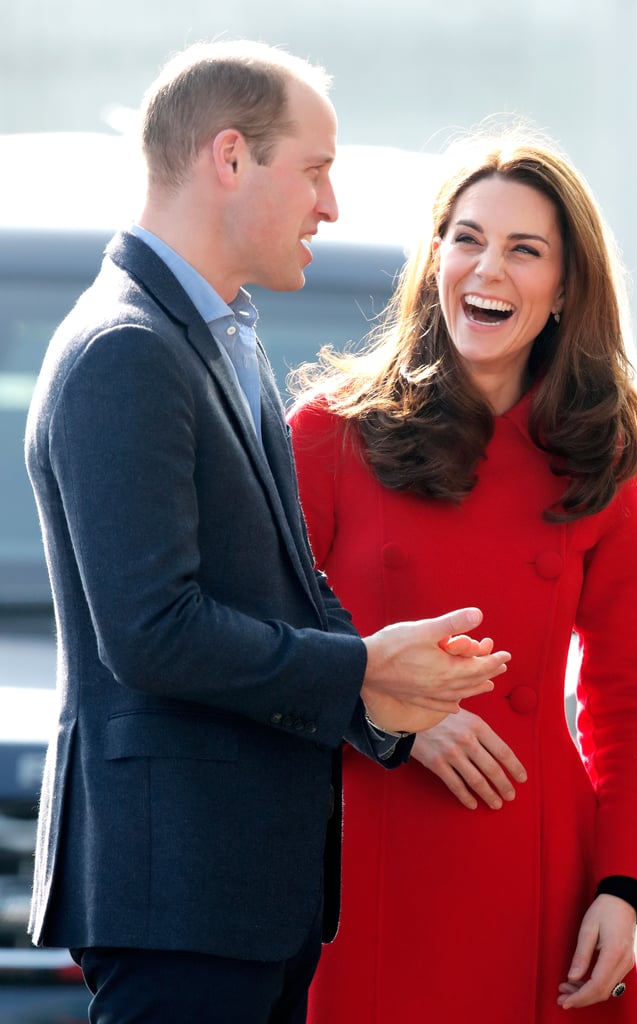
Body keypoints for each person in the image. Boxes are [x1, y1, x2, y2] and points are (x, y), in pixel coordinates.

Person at [23, 42, 513, 1024]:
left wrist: (390, 700)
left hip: (239, 900)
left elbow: (278, 582)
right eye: (318, 171)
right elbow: (154, 628)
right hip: (183, 901)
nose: (330, 207)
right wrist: (361, 671)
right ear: (231, 158)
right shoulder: (128, 349)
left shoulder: (222, 338)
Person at [288, 129, 637, 1022]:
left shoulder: (600, 452)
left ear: (565, 288)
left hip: (543, 871)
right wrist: (396, 722)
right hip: (371, 867)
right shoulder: (331, 433)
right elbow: (270, 645)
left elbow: (622, 691)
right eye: (467, 238)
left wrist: (623, 887)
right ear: (435, 259)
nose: (487, 268)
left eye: (524, 249)